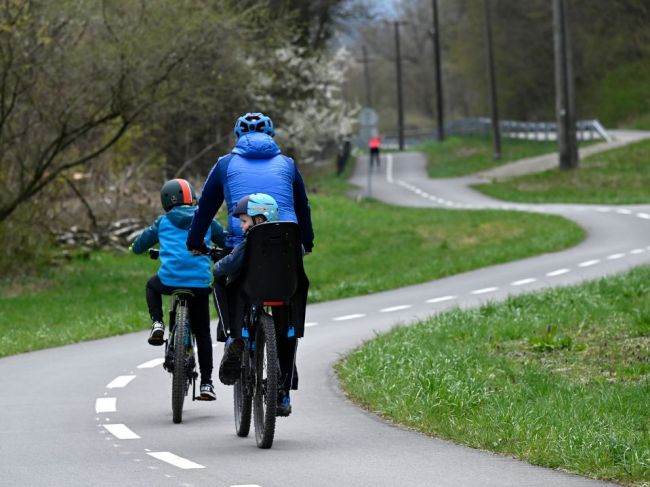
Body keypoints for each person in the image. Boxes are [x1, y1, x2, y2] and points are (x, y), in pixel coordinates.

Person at [130, 178, 226, 401]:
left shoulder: (163, 222)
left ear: (165, 202)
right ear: (192, 199)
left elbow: (140, 244)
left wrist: (135, 247)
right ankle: (207, 383)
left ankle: (157, 323)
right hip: (199, 283)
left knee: (151, 286)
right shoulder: (207, 220)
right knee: (202, 332)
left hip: (170, 280)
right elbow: (225, 240)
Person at [212, 193, 299, 417]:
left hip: (251, 294)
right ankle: (284, 394)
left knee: (219, 283)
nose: (241, 226)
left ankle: (231, 334)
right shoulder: (290, 241)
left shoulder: (249, 241)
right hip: (285, 296)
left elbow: (225, 268)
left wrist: (220, 262)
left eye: (244, 221)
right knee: (288, 337)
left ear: (259, 220)